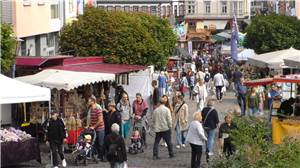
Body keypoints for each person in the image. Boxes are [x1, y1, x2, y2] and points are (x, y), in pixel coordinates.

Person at [87, 96, 105, 161]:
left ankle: (102, 156)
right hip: (94, 128)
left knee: (100, 143)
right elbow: (91, 119)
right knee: (93, 143)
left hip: (100, 128)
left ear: (93, 101)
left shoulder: (98, 108)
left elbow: (100, 120)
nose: (88, 102)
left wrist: (94, 126)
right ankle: (95, 156)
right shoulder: (91, 109)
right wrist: (89, 125)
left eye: (89, 101)